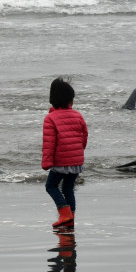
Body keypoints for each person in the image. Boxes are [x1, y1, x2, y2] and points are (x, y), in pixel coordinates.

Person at [42, 77, 88, 228]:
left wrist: (47, 162)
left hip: (61, 161)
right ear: (70, 100)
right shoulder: (78, 115)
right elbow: (84, 136)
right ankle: (71, 216)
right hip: (76, 161)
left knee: (51, 186)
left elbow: (49, 143)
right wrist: (79, 152)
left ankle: (65, 213)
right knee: (68, 188)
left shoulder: (50, 118)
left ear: (52, 99)